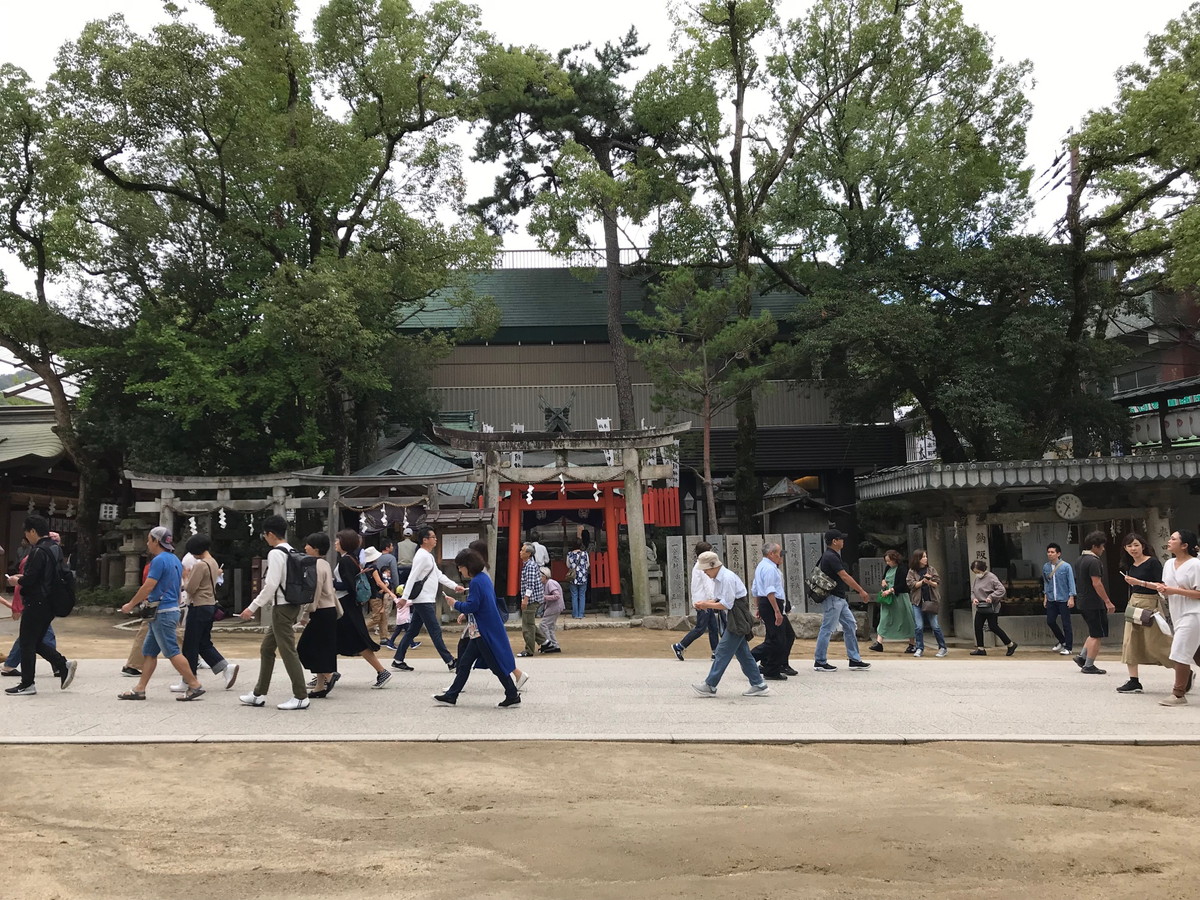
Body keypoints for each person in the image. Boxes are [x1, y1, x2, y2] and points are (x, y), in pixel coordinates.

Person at [116, 526, 204, 701]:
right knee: (149, 651)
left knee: (172, 651)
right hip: (169, 609)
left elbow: (148, 586)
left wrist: (131, 604)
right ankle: (140, 688)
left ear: (156, 541)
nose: (148, 543)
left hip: (161, 611)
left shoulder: (158, 561)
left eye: (149, 539)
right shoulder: (175, 560)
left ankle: (194, 685)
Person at [237, 515, 310, 710]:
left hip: (282, 607)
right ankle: (258, 693)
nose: (265, 538)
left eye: (264, 535)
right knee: (267, 649)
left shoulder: (276, 553)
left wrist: (252, 607)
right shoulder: (292, 550)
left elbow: (271, 584)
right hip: (293, 604)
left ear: (270, 534)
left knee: (287, 651)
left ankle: (301, 696)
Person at [433, 549, 521, 708]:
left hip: (483, 632)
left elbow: (473, 605)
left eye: (460, 566)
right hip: (483, 629)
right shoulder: (484, 578)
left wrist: (455, 604)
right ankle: (451, 695)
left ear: (468, 566)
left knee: (495, 665)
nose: (459, 570)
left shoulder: (476, 582)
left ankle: (512, 694)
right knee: (466, 662)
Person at [3, 516, 75, 697]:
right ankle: (62, 664)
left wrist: (15, 580)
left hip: (37, 602)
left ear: (33, 531)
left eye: (27, 533)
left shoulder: (37, 552)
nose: (26, 536)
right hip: (50, 602)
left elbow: (30, 580)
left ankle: (27, 683)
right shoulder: (55, 548)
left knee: (27, 642)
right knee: (34, 641)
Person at [690, 551, 771, 698]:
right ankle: (758, 683)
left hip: (737, 615)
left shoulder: (726, 578)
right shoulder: (718, 578)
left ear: (713, 566)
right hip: (735, 614)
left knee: (722, 650)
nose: (705, 573)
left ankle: (710, 685)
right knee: (743, 653)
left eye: (706, 569)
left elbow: (726, 604)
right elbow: (719, 600)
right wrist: (705, 604)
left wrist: (706, 604)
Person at [390, 525, 464, 672]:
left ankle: (398, 659)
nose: (436, 539)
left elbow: (438, 575)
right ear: (425, 540)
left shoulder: (427, 555)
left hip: (424, 599)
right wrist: (404, 598)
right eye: (433, 537)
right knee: (435, 631)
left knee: (412, 631)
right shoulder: (422, 556)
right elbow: (412, 576)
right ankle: (450, 661)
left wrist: (455, 586)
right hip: (424, 600)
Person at [173, 534, 239, 692]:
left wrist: (186, 577)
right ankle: (225, 667)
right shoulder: (213, 562)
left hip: (198, 606)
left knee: (190, 645)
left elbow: (190, 588)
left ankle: (189, 680)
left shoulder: (200, 565)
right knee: (203, 643)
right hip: (209, 605)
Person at [330, 529, 393, 689]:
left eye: (338, 540)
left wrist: (331, 583)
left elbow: (349, 585)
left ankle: (382, 671)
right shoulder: (350, 559)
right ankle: (325, 673)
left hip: (346, 605)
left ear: (345, 543)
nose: (335, 543)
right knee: (332, 639)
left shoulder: (345, 561)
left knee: (358, 640)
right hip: (347, 604)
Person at [1149, 528, 1200, 706]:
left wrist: (1173, 590)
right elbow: (1167, 588)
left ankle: (1178, 693)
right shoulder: (1169, 564)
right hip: (1177, 613)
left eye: (1173, 539)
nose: (1169, 541)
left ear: (1184, 545)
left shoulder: (1195, 565)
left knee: (1179, 652)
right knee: (1195, 654)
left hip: (1194, 613)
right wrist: (1163, 590)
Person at [1115, 532, 1171, 694]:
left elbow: (1161, 586)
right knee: (1130, 641)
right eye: (1129, 546)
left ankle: (1183, 671)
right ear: (1125, 548)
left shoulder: (1153, 563)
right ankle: (1134, 680)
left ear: (1143, 546)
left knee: (1158, 642)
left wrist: (1138, 582)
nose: (1133, 548)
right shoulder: (1129, 565)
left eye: (1136, 545)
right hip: (1134, 603)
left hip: (1150, 603)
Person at [813, 530, 872, 673]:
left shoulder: (832, 555)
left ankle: (854, 659)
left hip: (839, 598)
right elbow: (844, 576)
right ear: (834, 541)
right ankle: (820, 661)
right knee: (827, 628)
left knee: (850, 624)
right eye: (841, 539)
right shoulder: (831, 556)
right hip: (833, 598)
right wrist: (861, 591)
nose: (843, 541)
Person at [0, 537, 58, 679]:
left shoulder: (39, 556)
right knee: (40, 635)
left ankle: (10, 665)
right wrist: (15, 605)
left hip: (36, 603)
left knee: (30, 636)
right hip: (34, 602)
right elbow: (24, 583)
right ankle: (58, 664)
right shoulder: (34, 558)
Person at [297, 532, 342, 699]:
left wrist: (305, 614)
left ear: (315, 549)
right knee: (322, 648)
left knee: (304, 648)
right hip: (328, 610)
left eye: (308, 545)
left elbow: (314, 593)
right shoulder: (325, 564)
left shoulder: (313, 565)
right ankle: (319, 686)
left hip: (320, 611)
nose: (305, 547)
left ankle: (329, 676)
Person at [672, 541, 724, 661]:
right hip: (704, 601)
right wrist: (714, 599)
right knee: (700, 628)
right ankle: (679, 646)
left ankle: (715, 652)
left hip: (704, 600)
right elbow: (707, 584)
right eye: (709, 551)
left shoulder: (699, 565)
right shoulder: (702, 567)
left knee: (713, 627)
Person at [1072, 531, 1114, 674]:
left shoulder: (1080, 560)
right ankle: (1089, 665)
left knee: (1093, 631)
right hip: (1094, 602)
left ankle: (1082, 657)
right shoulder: (1094, 561)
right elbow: (1097, 583)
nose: (1103, 549)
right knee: (1097, 634)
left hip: (1083, 601)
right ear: (1095, 546)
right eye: (1102, 546)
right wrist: (1107, 601)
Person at [750, 543, 795, 680]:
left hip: (767, 603)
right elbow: (769, 591)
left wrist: (759, 607)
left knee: (782, 636)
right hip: (771, 603)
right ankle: (752, 657)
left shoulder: (763, 566)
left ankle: (771, 666)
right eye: (779, 553)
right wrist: (776, 611)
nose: (780, 556)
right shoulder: (769, 568)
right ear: (771, 554)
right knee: (776, 639)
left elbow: (756, 589)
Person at [868, 549, 917, 655]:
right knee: (885, 618)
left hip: (899, 597)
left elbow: (903, 584)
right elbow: (884, 578)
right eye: (886, 561)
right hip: (888, 598)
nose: (887, 563)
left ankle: (912, 643)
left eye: (889, 561)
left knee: (906, 619)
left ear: (895, 559)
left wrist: (890, 590)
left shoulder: (902, 569)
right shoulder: (888, 568)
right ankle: (879, 642)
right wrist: (883, 581)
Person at [968, 560, 1018, 657]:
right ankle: (980, 648)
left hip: (991, 607)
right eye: (975, 572)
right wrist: (973, 599)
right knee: (977, 626)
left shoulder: (991, 577)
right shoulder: (976, 579)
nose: (977, 574)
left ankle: (1010, 644)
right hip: (981, 606)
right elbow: (972, 591)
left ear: (983, 569)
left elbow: (1001, 589)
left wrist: (991, 597)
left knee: (993, 626)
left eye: (978, 572)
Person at [906, 549, 947, 658]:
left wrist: (929, 581)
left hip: (931, 601)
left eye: (926, 556)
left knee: (935, 625)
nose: (926, 558)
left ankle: (942, 647)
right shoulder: (912, 571)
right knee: (918, 626)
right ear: (918, 559)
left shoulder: (931, 569)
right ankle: (919, 648)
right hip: (917, 601)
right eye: (923, 557)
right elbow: (912, 585)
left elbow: (937, 583)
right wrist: (922, 581)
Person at [1042, 543, 1076, 655]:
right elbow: (1046, 583)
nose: (1050, 554)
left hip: (1063, 598)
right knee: (1050, 621)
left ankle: (1069, 647)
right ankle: (1062, 641)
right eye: (1048, 552)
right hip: (1052, 598)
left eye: (1052, 552)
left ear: (1058, 553)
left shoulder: (1066, 566)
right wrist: (1045, 596)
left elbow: (1071, 582)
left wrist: (1071, 597)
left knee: (1066, 623)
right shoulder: (1046, 567)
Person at [361, 545, 396, 640]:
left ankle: (384, 637)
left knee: (383, 616)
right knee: (377, 618)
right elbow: (379, 582)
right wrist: (389, 591)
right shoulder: (373, 568)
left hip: (373, 594)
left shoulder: (366, 568)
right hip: (376, 595)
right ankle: (360, 630)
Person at [517, 542, 545, 658]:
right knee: (531, 623)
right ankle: (546, 643)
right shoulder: (529, 564)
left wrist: (525, 599)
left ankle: (529, 650)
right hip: (533, 598)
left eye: (522, 550)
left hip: (531, 599)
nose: (520, 552)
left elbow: (530, 584)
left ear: (528, 553)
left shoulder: (530, 566)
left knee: (527, 625)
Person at [538, 567, 564, 653]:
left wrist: (544, 597)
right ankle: (554, 645)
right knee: (550, 627)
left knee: (543, 625)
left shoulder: (550, 583)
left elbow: (557, 595)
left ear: (544, 576)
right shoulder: (548, 583)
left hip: (554, 607)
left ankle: (548, 644)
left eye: (540, 576)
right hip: (555, 607)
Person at [566, 537, 590, 619]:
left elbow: (568, 565)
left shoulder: (569, 554)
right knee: (582, 595)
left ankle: (575, 614)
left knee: (574, 595)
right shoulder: (585, 554)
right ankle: (581, 613)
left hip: (573, 577)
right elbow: (588, 565)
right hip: (583, 576)